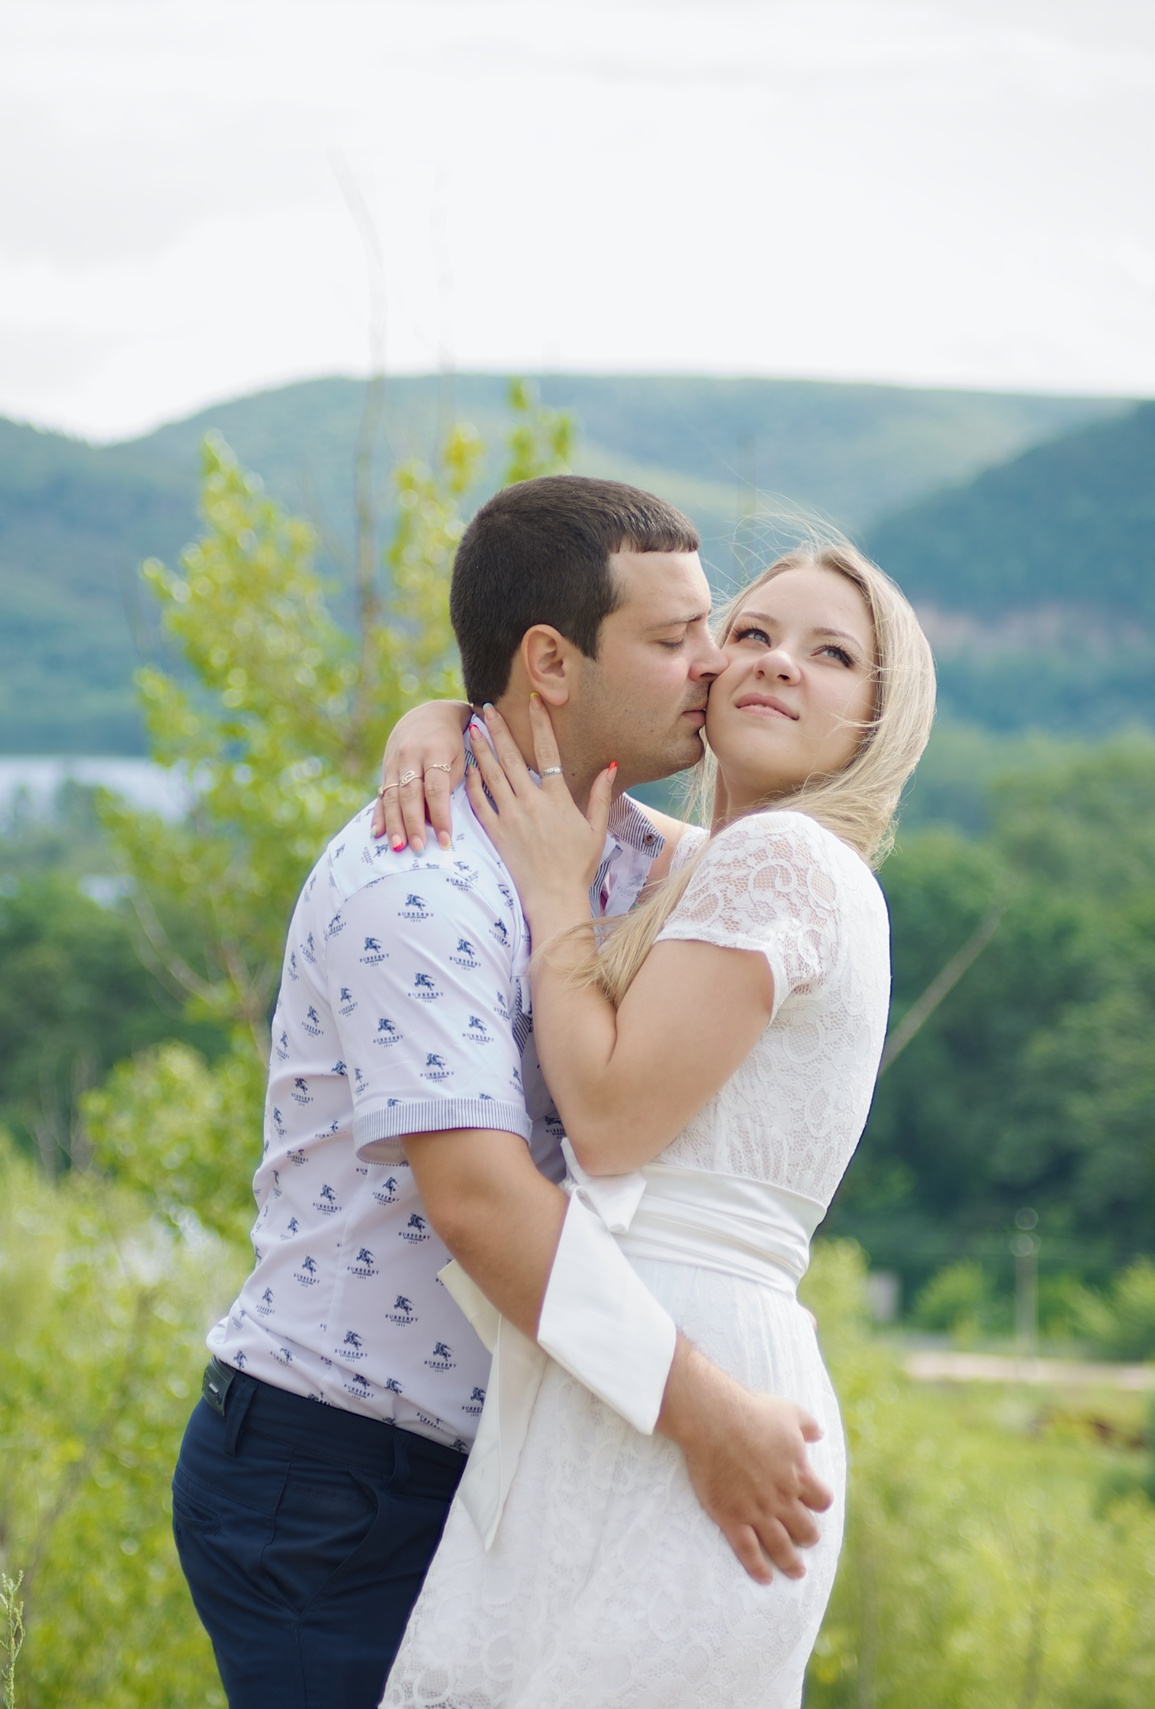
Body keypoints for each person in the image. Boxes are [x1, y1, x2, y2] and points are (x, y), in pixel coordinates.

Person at [171, 477, 839, 1709]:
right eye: (671, 635)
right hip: (337, 1482)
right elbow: (481, 1206)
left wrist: (448, 713)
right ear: (550, 661)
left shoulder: (646, 857)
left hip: (519, 1464)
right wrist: (704, 1413)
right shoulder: (412, 876)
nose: (711, 664)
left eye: (713, 627)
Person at [372, 538, 934, 1708]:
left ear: (875, 721)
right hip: (656, 1343)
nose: (779, 662)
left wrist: (552, 904)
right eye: (755, 632)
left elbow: (615, 1123)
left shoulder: (781, 857)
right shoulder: (725, 863)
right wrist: (443, 715)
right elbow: (558, 785)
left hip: (691, 1359)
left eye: (831, 654)